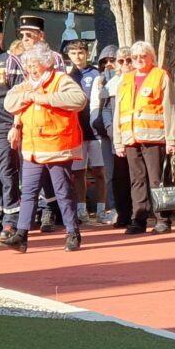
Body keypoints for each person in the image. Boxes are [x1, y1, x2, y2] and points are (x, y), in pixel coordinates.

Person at [2, 43, 87, 252]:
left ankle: (72, 232)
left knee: (63, 192)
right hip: (32, 148)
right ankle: (21, 235)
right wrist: (28, 96)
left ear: (46, 63)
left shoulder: (60, 80)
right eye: (28, 65)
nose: (31, 68)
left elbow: (79, 100)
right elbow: (9, 103)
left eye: (34, 64)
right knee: (29, 192)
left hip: (57, 146)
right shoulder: (26, 84)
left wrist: (44, 98)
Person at [114, 41, 175, 235]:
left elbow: (170, 108)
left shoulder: (160, 76)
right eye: (135, 57)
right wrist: (118, 140)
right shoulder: (125, 80)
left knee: (156, 180)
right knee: (137, 180)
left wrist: (171, 139)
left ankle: (163, 219)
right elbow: (119, 111)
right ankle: (139, 218)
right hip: (130, 138)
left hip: (155, 137)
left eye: (143, 56)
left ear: (151, 57)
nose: (139, 60)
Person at [7, 16, 66, 232]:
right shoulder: (15, 59)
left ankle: (51, 210)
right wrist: (16, 125)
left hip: (50, 125)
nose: (24, 39)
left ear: (41, 36)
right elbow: (17, 94)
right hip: (26, 124)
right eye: (22, 36)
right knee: (27, 172)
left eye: (29, 36)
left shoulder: (56, 59)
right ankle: (29, 218)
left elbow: (59, 90)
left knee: (52, 172)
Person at [66, 40, 108, 224]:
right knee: (79, 173)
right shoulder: (66, 75)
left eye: (81, 52)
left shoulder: (95, 73)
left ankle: (101, 209)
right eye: (74, 53)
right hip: (76, 131)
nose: (78, 56)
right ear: (69, 55)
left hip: (95, 131)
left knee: (99, 172)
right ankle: (81, 209)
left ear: (87, 53)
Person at [96, 46, 134, 228]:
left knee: (135, 177)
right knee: (115, 177)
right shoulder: (111, 82)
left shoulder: (139, 79)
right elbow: (105, 109)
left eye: (129, 60)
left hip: (134, 135)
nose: (124, 64)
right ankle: (120, 211)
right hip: (114, 137)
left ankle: (137, 212)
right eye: (121, 61)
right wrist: (111, 129)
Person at [89, 45, 118, 223]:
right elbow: (94, 106)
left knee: (129, 172)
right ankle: (114, 207)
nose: (108, 64)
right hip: (106, 133)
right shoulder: (99, 80)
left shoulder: (125, 78)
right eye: (104, 61)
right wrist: (95, 125)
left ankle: (133, 207)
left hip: (125, 132)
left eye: (112, 60)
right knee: (110, 173)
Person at [0, 19, 19, 241]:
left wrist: (16, 125)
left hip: (5, 126)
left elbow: (20, 95)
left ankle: (10, 223)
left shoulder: (10, 61)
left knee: (6, 173)